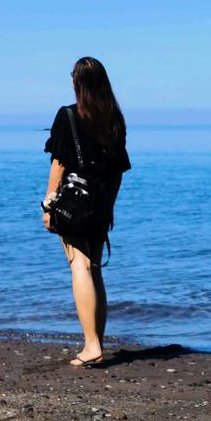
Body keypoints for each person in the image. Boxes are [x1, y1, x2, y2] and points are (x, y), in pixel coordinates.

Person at [42, 56, 131, 367]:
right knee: (94, 268)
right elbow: (119, 170)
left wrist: (49, 202)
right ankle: (96, 340)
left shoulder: (68, 116)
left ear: (77, 83)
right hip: (101, 202)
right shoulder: (114, 120)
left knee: (79, 266)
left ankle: (91, 346)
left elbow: (60, 163)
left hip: (73, 204)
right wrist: (110, 206)